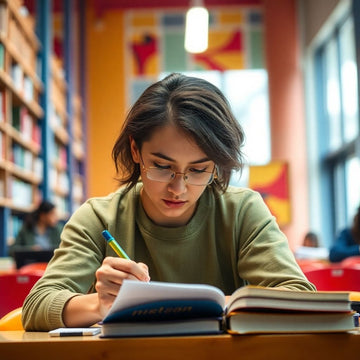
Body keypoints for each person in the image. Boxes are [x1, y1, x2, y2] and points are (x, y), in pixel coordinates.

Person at [22, 73, 315, 331]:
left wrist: (181, 304)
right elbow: (37, 305)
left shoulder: (242, 210)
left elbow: (300, 296)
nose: (178, 188)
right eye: (162, 166)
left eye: (199, 170)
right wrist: (99, 305)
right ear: (135, 150)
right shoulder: (99, 218)